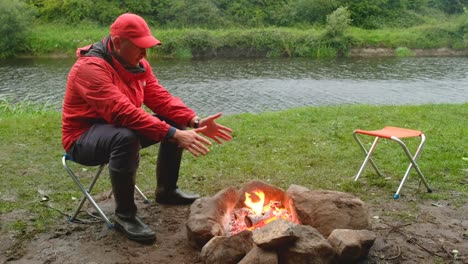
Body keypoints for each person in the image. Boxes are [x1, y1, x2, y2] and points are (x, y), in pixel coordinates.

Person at [61, 13, 233, 244]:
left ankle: (167, 191)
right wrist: (172, 134)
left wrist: (194, 121)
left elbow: (160, 99)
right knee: (126, 136)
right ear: (118, 42)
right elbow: (121, 112)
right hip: (82, 139)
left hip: (118, 130)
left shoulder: (138, 64)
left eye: (147, 47)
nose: (145, 53)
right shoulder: (90, 69)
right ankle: (125, 215)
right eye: (139, 47)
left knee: (171, 121)